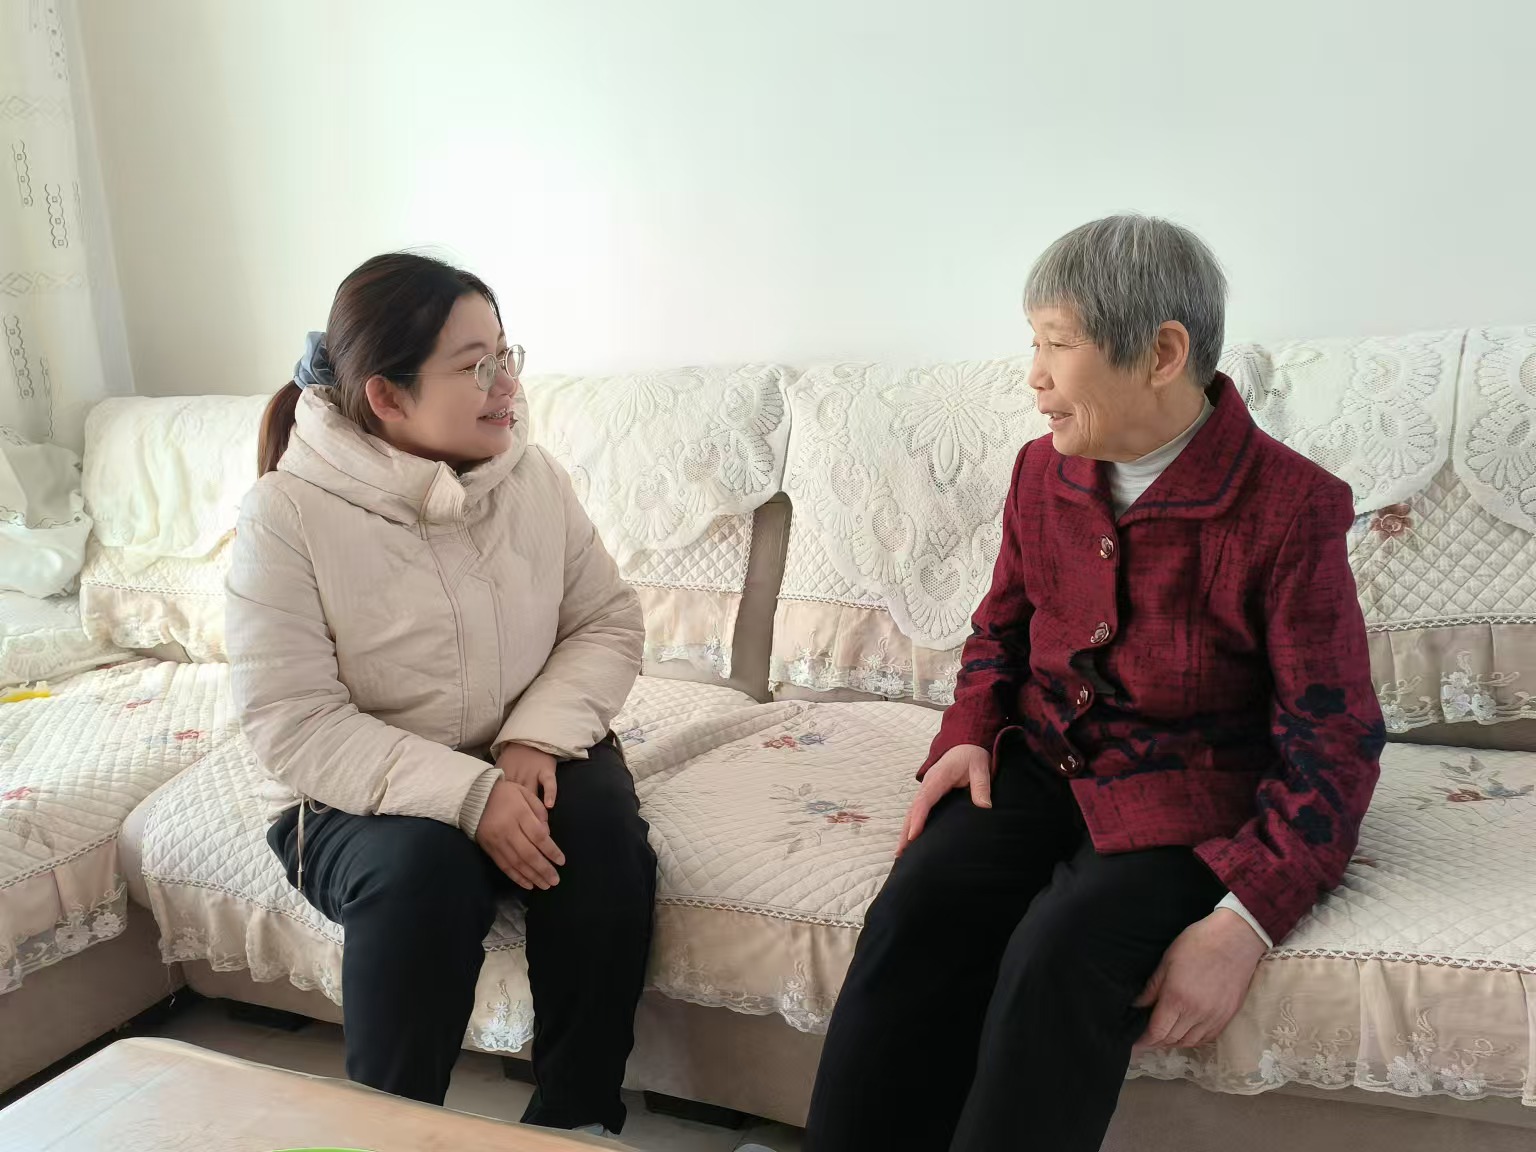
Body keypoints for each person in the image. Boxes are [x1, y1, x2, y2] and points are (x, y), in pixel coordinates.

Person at [798, 216, 1385, 1152]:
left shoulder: (1290, 507)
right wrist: (968, 729)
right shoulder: (1042, 472)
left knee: (1061, 950)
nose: (1032, 375)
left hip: (1191, 802)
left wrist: (1247, 919)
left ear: (1161, 354)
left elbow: (1335, 741)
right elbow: (999, 628)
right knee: (920, 904)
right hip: (1042, 765)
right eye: (1032, 343)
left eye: (1056, 345)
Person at [228, 252, 653, 1137]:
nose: (508, 387)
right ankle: (392, 1133)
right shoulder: (286, 515)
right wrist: (471, 795)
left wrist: (533, 740)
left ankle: (573, 1123)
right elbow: (294, 722)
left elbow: (605, 622)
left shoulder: (534, 479)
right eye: (475, 367)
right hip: (354, 796)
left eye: (506, 355)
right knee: (426, 873)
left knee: (602, 834)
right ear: (388, 396)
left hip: (526, 744)